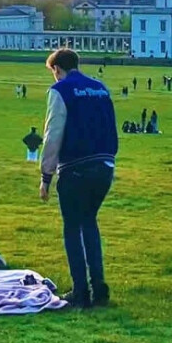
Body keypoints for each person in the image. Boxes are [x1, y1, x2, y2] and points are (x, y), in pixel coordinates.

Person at [39, 48, 117, 309]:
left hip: (75, 167)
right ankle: (100, 287)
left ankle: (81, 291)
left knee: (72, 228)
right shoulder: (101, 88)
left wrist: (46, 175)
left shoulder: (61, 90)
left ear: (57, 69)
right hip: (104, 165)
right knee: (90, 224)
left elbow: (53, 133)